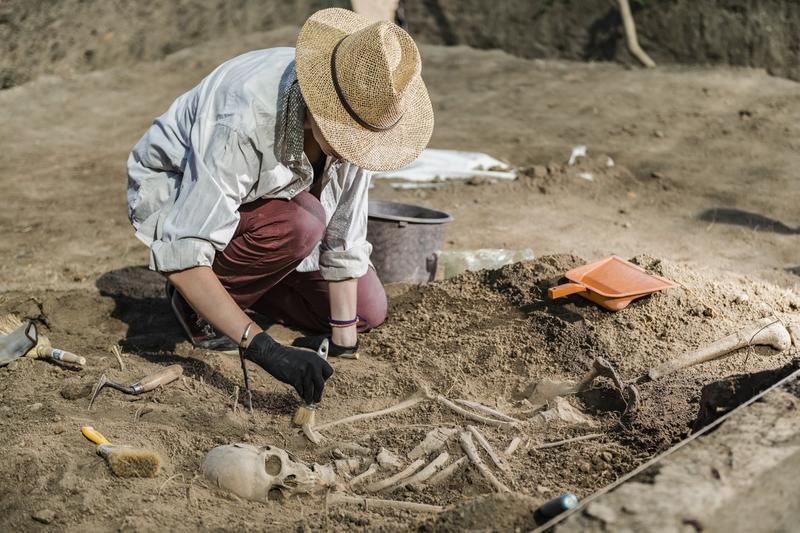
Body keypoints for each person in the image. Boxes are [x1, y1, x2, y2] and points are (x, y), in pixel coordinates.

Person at [125, 8, 433, 406]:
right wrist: (266, 350)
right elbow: (183, 251)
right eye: (348, 136)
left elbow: (345, 236)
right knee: (302, 222)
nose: (356, 150)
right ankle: (196, 307)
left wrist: (343, 341)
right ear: (319, 112)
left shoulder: (366, 109)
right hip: (179, 195)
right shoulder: (243, 118)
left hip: (272, 212)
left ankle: (253, 278)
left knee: (366, 311)